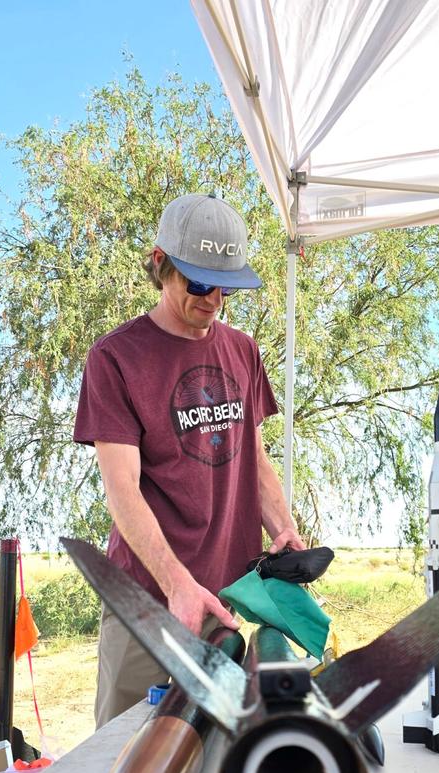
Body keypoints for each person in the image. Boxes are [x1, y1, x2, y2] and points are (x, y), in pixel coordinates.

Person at [74, 193, 303, 728]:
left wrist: (284, 527)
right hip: (149, 603)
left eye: (226, 286)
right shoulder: (115, 358)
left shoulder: (243, 351)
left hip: (225, 601)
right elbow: (122, 490)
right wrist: (177, 584)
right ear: (160, 264)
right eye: (198, 283)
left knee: (218, 756)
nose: (214, 300)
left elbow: (254, 456)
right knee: (128, 753)